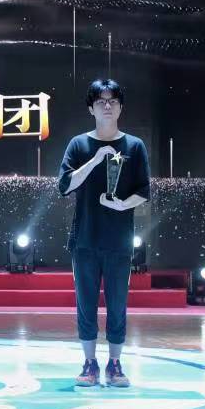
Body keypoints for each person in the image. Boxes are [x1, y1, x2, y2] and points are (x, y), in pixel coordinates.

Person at [58, 79, 150, 388]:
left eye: (113, 101)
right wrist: (95, 160)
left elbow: (144, 190)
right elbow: (64, 185)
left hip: (119, 240)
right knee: (85, 303)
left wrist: (123, 204)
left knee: (117, 304)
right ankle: (89, 363)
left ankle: (115, 363)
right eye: (101, 101)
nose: (107, 106)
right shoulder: (78, 145)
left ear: (121, 107)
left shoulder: (134, 146)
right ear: (91, 109)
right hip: (84, 238)